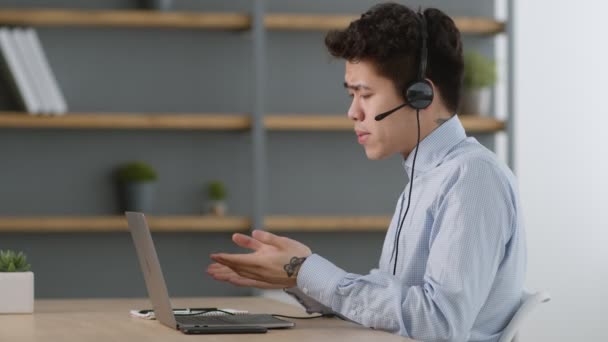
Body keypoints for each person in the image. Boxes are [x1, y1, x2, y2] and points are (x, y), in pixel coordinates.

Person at [207, 3, 526, 341]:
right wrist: (299, 278)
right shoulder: (427, 177)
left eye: (365, 94)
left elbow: (439, 323)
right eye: (351, 95)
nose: (352, 112)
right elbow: (393, 301)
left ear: (421, 96)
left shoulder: (472, 178)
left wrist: (306, 269)